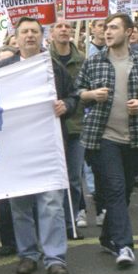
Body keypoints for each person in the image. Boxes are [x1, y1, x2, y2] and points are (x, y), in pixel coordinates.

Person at [0, 17, 76, 274]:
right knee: (20, 205)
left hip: (49, 148)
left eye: (34, 31)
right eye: (24, 32)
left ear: (42, 36)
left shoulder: (53, 67)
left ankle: (55, 259)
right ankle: (28, 255)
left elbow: (74, 96)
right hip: (17, 148)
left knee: (52, 204)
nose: (29, 36)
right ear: (16, 38)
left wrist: (66, 105)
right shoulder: (4, 68)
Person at [77, 13, 138, 268]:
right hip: (104, 137)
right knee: (116, 188)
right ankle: (124, 245)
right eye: (106, 28)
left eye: (113, 28)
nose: (107, 32)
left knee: (124, 192)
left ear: (129, 32)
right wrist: (91, 93)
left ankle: (108, 237)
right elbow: (76, 92)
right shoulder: (94, 62)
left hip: (134, 137)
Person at [49, 16, 87, 239]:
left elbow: (83, 91)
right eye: (59, 26)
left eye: (67, 26)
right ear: (51, 33)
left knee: (73, 178)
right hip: (51, 128)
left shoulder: (82, 60)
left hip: (76, 126)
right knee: (53, 179)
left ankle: (69, 222)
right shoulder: (43, 61)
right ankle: (53, 222)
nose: (64, 29)